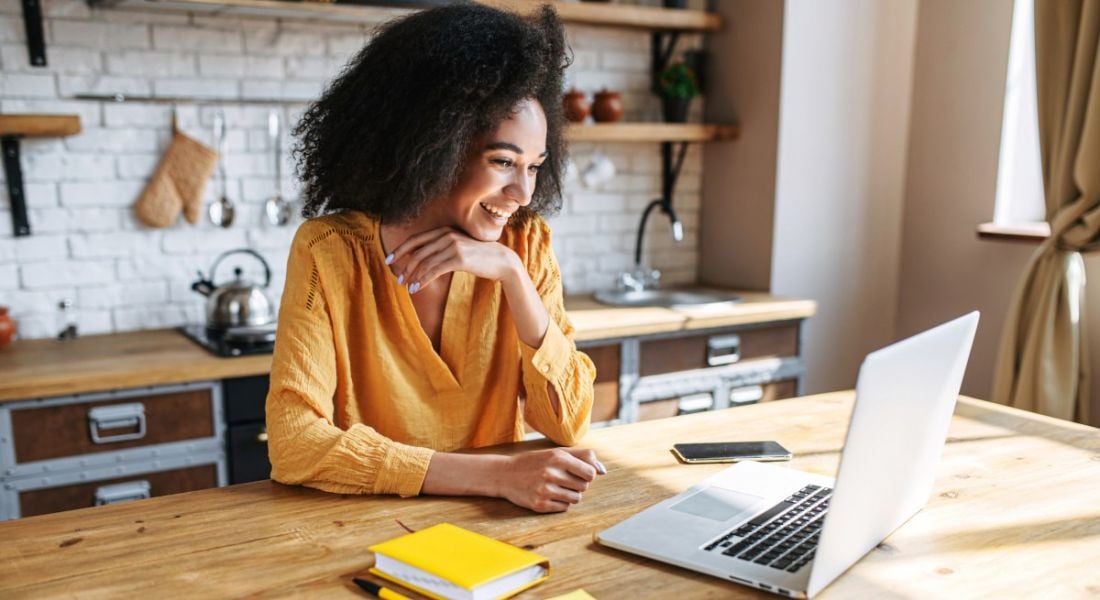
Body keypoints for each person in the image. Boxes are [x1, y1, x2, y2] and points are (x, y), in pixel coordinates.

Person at [266, 4, 604, 514]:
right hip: (368, 526)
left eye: (534, 166)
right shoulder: (328, 252)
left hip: (500, 525)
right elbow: (293, 445)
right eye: (503, 162)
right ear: (433, 145)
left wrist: (513, 276)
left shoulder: (525, 244)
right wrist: (496, 476)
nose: (521, 191)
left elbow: (568, 423)